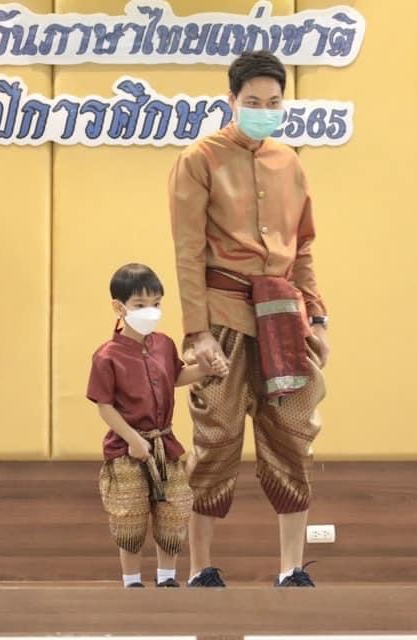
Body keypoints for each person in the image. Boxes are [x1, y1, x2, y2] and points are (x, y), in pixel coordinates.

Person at [169, 50, 330, 588]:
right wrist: (196, 333)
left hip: (284, 319)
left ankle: (292, 569)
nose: (264, 111)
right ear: (232, 100)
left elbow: (302, 249)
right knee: (215, 437)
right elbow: (188, 251)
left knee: (293, 435)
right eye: (253, 102)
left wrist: (318, 319)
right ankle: (200, 568)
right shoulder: (199, 159)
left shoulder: (292, 163)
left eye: (273, 102)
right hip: (222, 318)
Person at [87, 264, 228, 588]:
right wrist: (132, 439)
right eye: (140, 304)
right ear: (119, 307)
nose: (150, 311)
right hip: (127, 449)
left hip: (166, 445)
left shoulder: (164, 344)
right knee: (130, 514)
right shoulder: (106, 356)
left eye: (156, 303)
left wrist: (205, 369)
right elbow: (104, 405)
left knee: (174, 510)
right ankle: (132, 581)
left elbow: (176, 376)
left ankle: (167, 578)